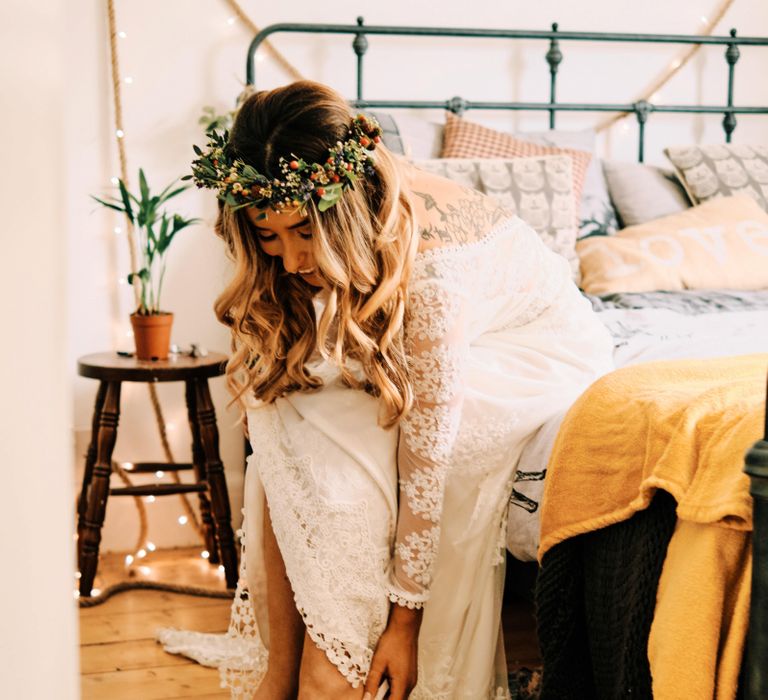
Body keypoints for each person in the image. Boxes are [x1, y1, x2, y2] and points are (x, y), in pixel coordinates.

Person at [189, 80, 614, 700]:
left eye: (304, 232)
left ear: (346, 210)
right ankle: (283, 674)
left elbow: (427, 457)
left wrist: (404, 622)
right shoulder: (312, 200)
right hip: (464, 334)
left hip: (536, 353)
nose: (290, 259)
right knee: (287, 416)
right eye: (269, 236)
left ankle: (331, 665)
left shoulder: (433, 273)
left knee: (353, 437)